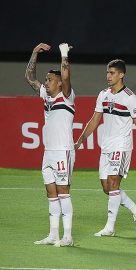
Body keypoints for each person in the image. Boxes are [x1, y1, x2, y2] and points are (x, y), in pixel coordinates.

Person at [75, 59, 136, 236]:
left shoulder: (130, 98)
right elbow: (95, 119)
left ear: (121, 75)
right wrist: (81, 139)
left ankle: (110, 228)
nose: (108, 76)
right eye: (107, 73)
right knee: (107, 188)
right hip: (106, 146)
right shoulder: (103, 94)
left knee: (113, 184)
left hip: (122, 145)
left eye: (112, 73)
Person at [25, 43, 75, 247]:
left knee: (63, 191)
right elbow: (29, 77)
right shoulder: (46, 96)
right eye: (46, 80)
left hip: (63, 151)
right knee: (51, 193)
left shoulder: (68, 96)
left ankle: (68, 236)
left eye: (50, 80)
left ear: (60, 84)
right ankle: (53, 234)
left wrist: (64, 54)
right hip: (49, 153)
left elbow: (65, 76)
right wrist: (34, 52)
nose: (46, 83)